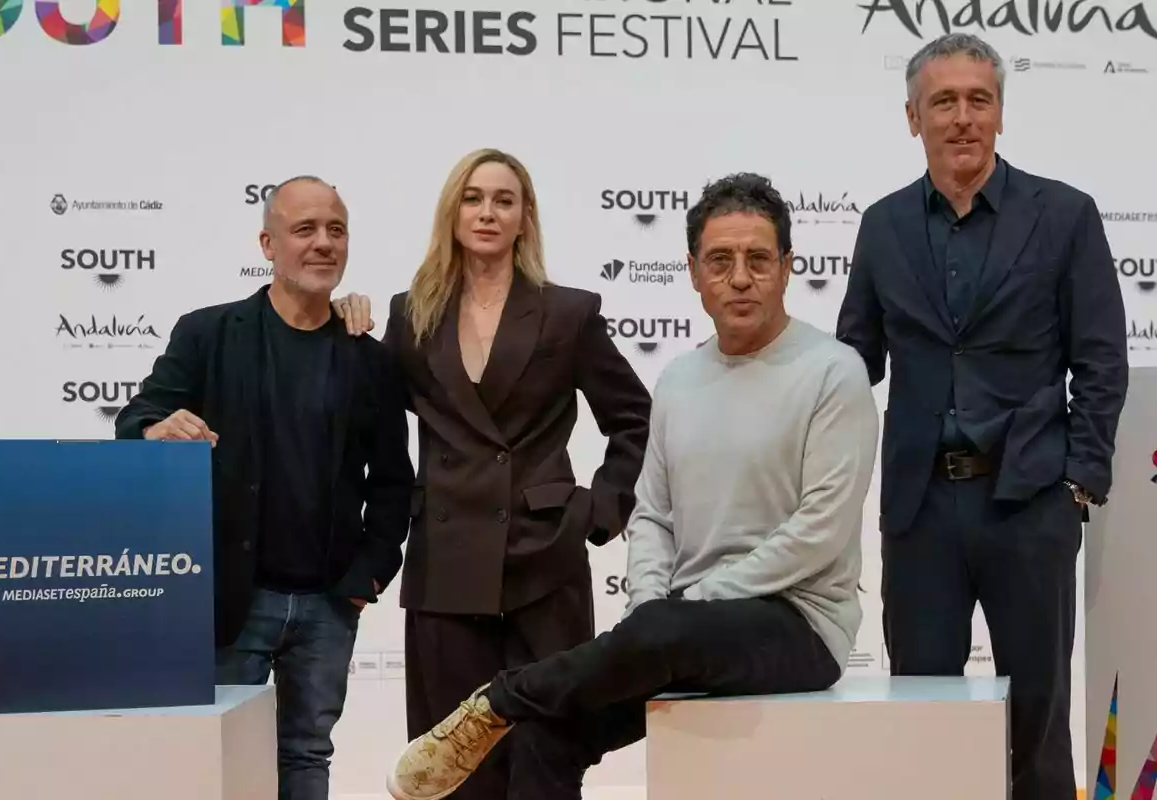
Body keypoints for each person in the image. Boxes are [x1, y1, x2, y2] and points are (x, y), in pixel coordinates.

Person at [379, 172, 880, 800]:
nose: (741, 277)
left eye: (758, 259)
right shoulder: (679, 378)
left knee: (651, 639)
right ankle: (524, 707)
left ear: (787, 267)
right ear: (694, 273)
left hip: (797, 623)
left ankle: (498, 698)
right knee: (545, 734)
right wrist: (650, 603)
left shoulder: (834, 372)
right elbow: (653, 516)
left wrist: (685, 608)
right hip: (679, 631)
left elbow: (821, 530)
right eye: (720, 261)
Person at [837, 33, 1128, 800]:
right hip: (920, 508)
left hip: (1031, 503)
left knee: (1037, 719)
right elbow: (852, 359)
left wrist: (1080, 483)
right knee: (923, 716)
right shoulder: (883, 225)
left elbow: (1100, 361)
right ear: (912, 118)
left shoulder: (1065, 215)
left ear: (1000, 113)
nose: (962, 117)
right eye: (943, 102)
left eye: (978, 100)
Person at [331, 148, 652, 799]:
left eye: (503, 200)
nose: (487, 211)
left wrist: (598, 511)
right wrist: (342, 324)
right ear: (453, 213)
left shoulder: (569, 313)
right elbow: (364, 414)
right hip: (446, 568)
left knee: (545, 753)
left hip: (543, 562)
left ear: (523, 217)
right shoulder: (409, 313)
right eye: (474, 198)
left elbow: (636, 421)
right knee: (453, 767)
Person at [114, 176, 415, 800]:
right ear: (267, 244)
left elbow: (392, 482)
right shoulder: (207, 334)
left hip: (329, 603)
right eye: (304, 229)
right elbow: (135, 420)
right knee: (224, 760)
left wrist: (366, 581)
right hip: (231, 598)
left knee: (308, 757)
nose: (323, 243)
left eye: (336, 230)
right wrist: (155, 428)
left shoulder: (369, 356)